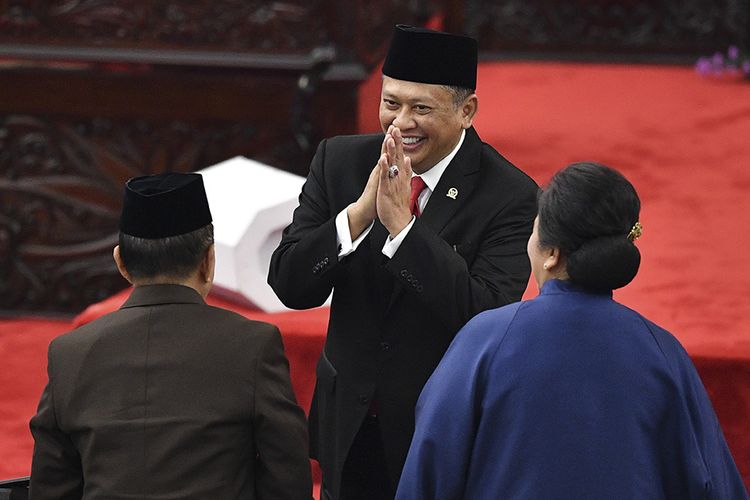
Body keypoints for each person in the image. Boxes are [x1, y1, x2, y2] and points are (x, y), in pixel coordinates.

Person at [268, 24, 538, 499]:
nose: (401, 122)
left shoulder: (509, 196)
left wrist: (404, 232)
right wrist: (356, 216)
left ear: (466, 111)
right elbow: (290, 283)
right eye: (391, 103)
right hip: (347, 425)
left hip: (438, 427)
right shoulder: (340, 161)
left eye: (421, 108)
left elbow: (485, 314)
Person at [396, 162, 749, 499]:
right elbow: (711, 484)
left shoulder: (486, 340)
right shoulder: (662, 350)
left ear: (551, 253)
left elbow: (430, 470)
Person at [29, 173, 312, 499]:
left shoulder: (69, 353)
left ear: (121, 263)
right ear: (209, 261)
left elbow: (50, 489)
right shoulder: (253, 345)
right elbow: (288, 481)